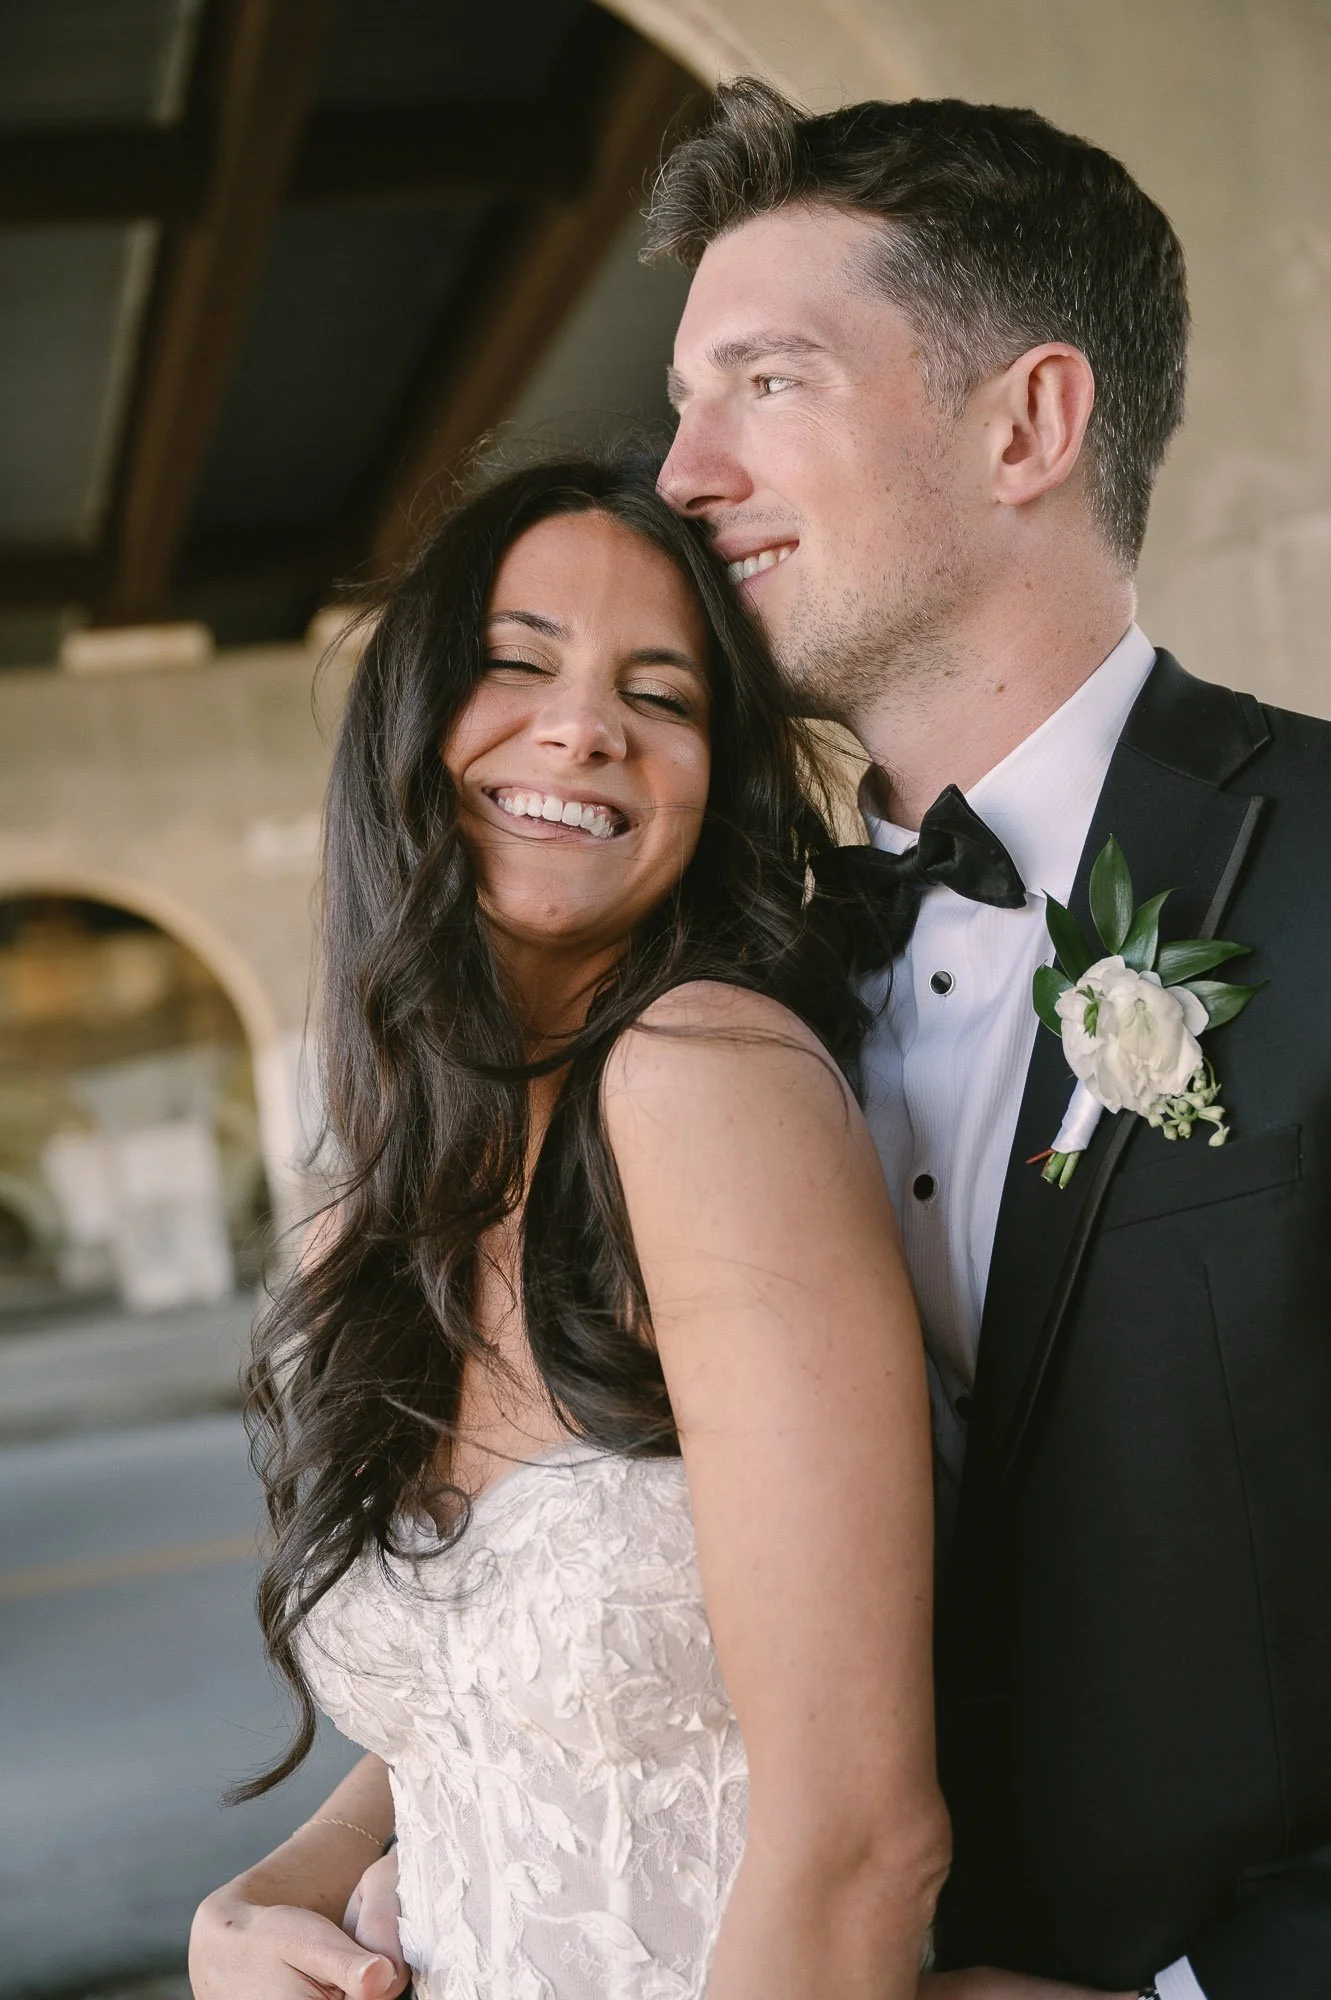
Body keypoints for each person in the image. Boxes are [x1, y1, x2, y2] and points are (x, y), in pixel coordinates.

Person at [646, 81, 1331, 2000]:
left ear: (1027, 421)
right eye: (680, 406)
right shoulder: (700, 987)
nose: (680, 476)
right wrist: (309, 1869)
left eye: (763, 384)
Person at [189, 456, 948, 2000]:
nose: (583, 727)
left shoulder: (703, 1084)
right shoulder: (373, 1216)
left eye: (658, 696)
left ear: (709, 778)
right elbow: (484, 1706)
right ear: (410, 723)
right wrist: (263, 1901)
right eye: (515, 662)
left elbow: (864, 1834)